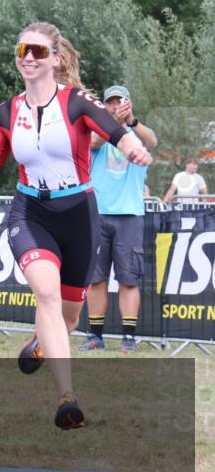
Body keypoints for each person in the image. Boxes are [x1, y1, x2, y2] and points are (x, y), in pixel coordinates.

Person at [0, 22, 151, 430]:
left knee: (69, 317)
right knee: (45, 293)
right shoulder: (6, 113)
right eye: (24, 49)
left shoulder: (77, 101)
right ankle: (67, 399)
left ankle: (43, 341)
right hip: (31, 214)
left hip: (79, 214)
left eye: (39, 51)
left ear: (55, 59)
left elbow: (114, 132)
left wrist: (132, 148)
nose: (29, 57)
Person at [80, 85, 158, 354]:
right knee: (96, 279)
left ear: (129, 104)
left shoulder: (137, 133)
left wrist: (132, 122)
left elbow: (152, 142)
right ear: (103, 107)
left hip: (130, 215)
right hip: (98, 213)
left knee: (129, 279)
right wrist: (111, 123)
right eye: (110, 103)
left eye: (119, 102)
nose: (115, 107)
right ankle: (95, 335)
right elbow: (91, 143)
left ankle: (128, 337)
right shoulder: (96, 132)